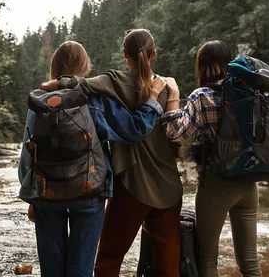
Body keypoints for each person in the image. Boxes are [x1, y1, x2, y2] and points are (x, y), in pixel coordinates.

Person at [18, 41, 167, 277]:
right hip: (89, 190)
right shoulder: (93, 98)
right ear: (85, 67)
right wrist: (154, 98)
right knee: (81, 269)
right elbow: (133, 129)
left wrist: (31, 195)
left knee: (52, 270)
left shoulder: (40, 100)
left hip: (46, 192)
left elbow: (28, 152)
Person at [161, 40, 262, 277]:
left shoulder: (202, 96)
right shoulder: (249, 90)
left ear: (202, 65)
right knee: (250, 261)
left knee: (207, 258)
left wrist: (174, 96)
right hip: (249, 180)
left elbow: (175, 132)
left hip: (217, 183)